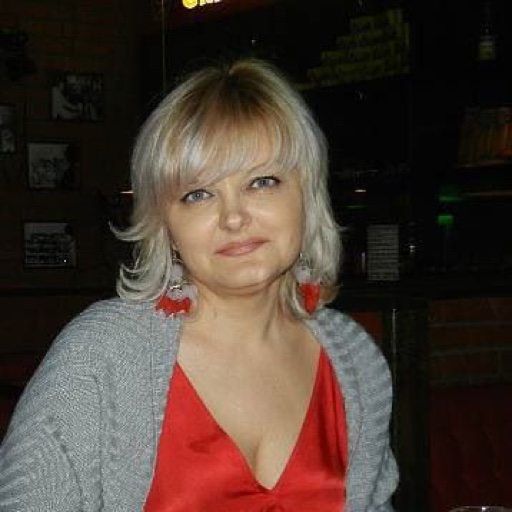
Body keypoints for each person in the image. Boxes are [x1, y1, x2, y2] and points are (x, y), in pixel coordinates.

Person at [0, 58, 398, 511]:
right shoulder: (102, 355)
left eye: (262, 182)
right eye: (198, 194)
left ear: (307, 197)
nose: (233, 217)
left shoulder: (356, 361)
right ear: (165, 224)